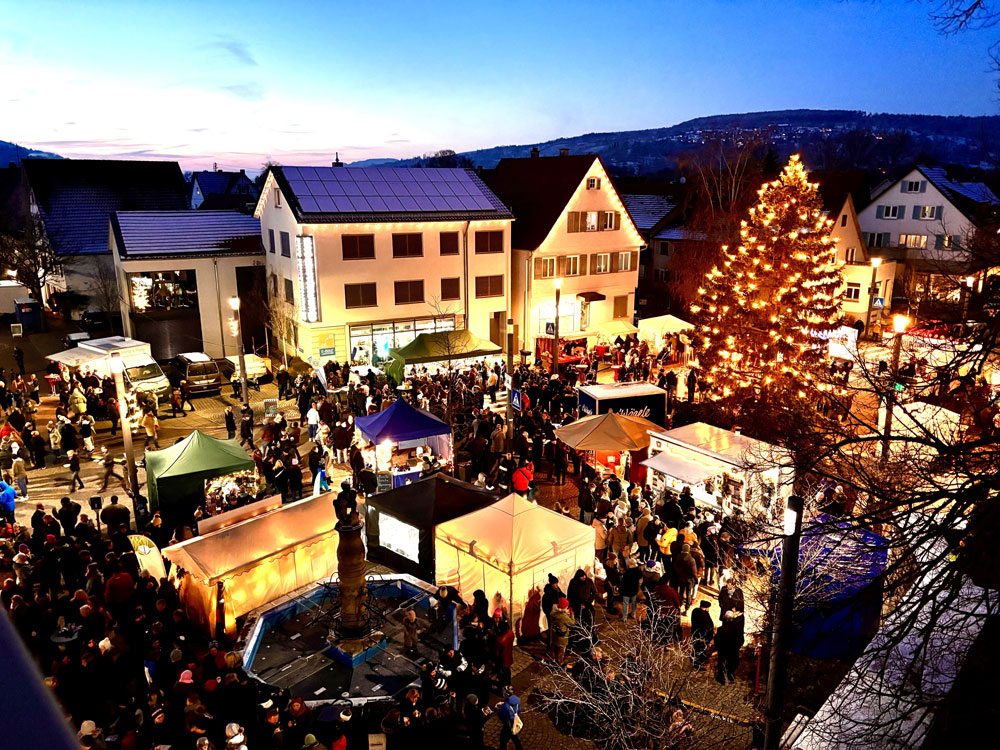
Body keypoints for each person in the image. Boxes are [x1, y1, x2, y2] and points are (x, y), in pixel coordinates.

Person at [715, 610, 744, 684]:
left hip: (722, 650)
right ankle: (731, 677)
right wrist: (737, 647)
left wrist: (718, 647)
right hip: (733, 650)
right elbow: (741, 640)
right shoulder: (737, 630)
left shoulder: (720, 629)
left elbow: (717, 640)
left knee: (721, 663)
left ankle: (721, 678)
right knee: (731, 664)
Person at [690, 599, 715, 670]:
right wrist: (709, 637)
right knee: (700, 650)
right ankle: (697, 665)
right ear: (706, 607)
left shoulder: (695, 611)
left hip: (695, 633)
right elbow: (706, 628)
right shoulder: (704, 616)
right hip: (702, 636)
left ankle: (694, 660)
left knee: (696, 648)